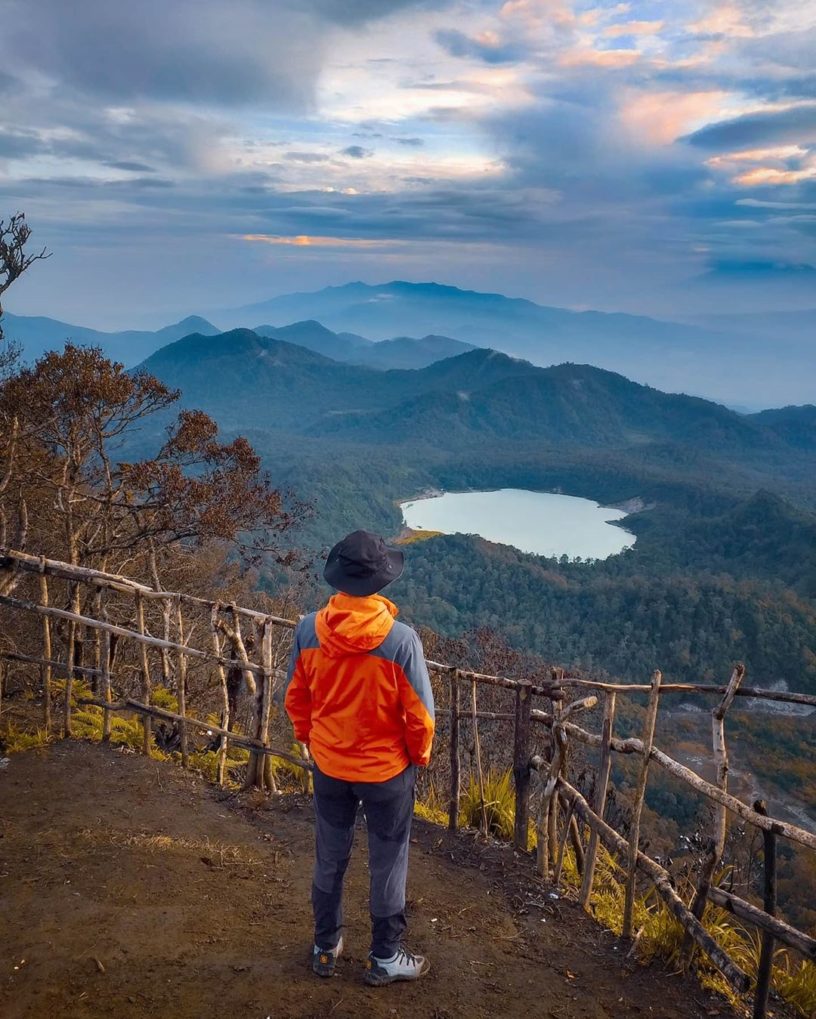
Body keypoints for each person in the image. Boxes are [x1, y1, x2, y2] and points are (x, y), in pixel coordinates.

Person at [284, 530, 435, 986]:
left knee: (330, 855)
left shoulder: (308, 629)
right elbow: (421, 717)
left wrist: (308, 738)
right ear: (380, 582)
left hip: (329, 766)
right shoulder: (400, 641)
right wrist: (417, 759)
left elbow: (296, 697)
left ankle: (325, 946)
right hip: (387, 773)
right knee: (388, 862)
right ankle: (385, 956)